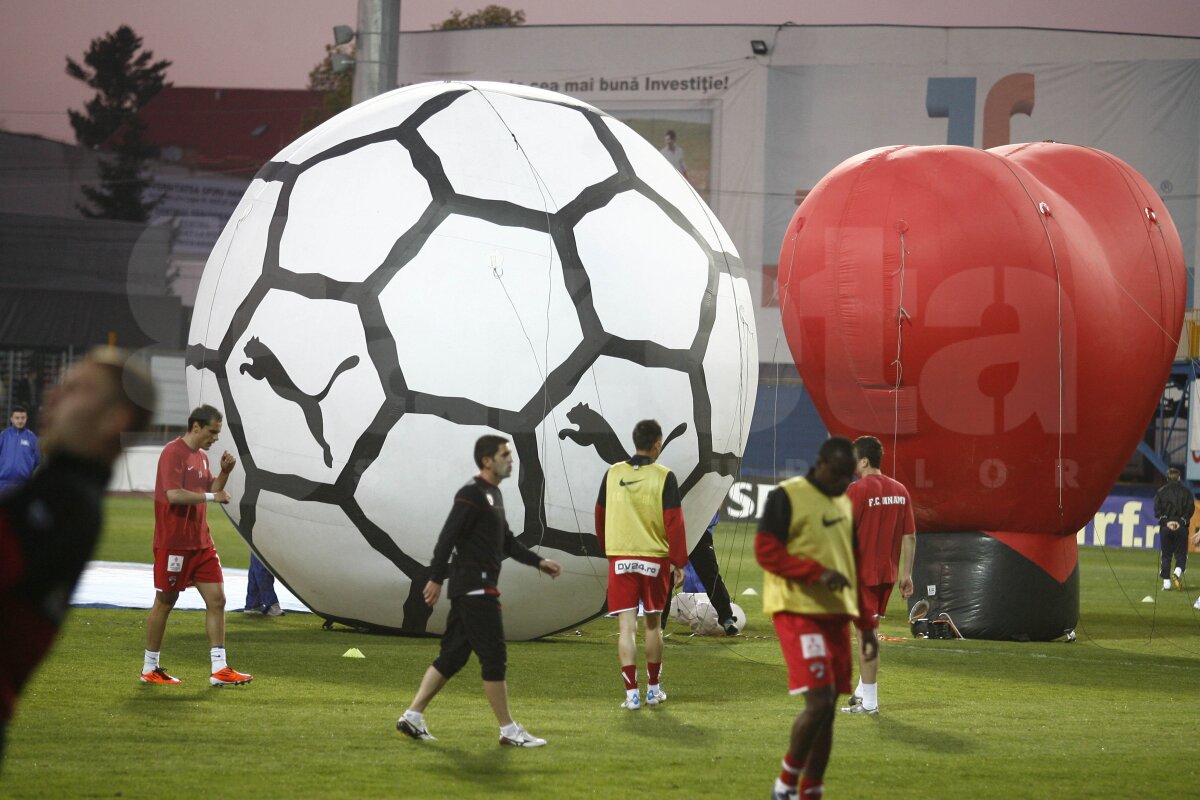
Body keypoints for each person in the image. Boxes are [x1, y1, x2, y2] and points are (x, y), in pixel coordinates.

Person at [1, 348, 155, 765]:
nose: (53, 395)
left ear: (114, 419)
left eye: (76, 389)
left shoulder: (66, 503)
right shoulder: (64, 495)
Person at [396, 435, 562, 747]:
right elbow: (448, 538)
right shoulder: (471, 494)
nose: (511, 460)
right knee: (494, 657)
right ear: (487, 460)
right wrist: (434, 578)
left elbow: (507, 542)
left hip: (471, 589)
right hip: (475, 589)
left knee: (452, 657)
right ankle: (509, 730)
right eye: (505, 455)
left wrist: (540, 562)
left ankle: (412, 716)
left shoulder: (493, 495)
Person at [756, 437, 877, 800]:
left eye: (849, 475)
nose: (846, 482)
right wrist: (816, 573)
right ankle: (785, 782)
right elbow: (766, 551)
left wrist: (867, 625)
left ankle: (811, 790)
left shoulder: (845, 504)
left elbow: (853, 568)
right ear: (821, 464)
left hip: (836, 617)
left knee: (829, 712)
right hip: (798, 611)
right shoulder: (787, 496)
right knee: (821, 701)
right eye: (840, 474)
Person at [139, 404, 252, 687]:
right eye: (212, 432)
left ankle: (219, 669)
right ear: (196, 427)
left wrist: (224, 472)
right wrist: (214, 498)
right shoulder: (172, 453)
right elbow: (175, 495)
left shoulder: (201, 457)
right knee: (166, 602)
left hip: (201, 542)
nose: (215, 438)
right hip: (173, 543)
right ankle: (149, 667)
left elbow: (212, 489)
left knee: (218, 600)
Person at [595, 419, 688, 710]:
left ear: (634, 440)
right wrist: (679, 561)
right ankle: (653, 690)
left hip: (621, 556)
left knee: (625, 628)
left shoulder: (612, 473)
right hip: (654, 559)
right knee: (652, 627)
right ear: (658, 444)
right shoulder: (664, 476)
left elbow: (600, 515)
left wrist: (608, 549)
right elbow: (674, 520)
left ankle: (631, 695)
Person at [839, 435, 915, 716]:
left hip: (862, 577)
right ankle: (862, 689)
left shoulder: (857, 491)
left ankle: (870, 703)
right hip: (887, 576)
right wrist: (906, 574)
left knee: (866, 637)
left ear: (864, 460)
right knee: (867, 631)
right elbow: (910, 536)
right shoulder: (901, 490)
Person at [664, 512, 739, 635]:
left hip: (696, 528)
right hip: (673, 527)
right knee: (668, 575)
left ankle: (726, 618)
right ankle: (659, 625)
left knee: (710, 573)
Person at [1153, 467, 1194, 592]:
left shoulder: (1160, 492)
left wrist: (1167, 522)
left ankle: (1167, 585)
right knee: (1181, 554)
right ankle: (1176, 573)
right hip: (1181, 528)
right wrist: (1180, 522)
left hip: (1166, 528)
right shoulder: (1187, 492)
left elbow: (1157, 511)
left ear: (1167, 478)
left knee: (1166, 555)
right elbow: (1190, 510)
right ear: (1179, 478)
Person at [0, 406, 40, 494]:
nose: (20, 420)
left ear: (26, 418)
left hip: (23, 485)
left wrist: (25, 470)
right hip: (2, 484)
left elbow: (37, 459)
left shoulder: (32, 438)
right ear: (11, 419)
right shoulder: (3, 436)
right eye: (17, 418)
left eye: (23, 418)